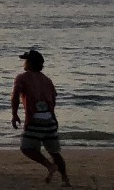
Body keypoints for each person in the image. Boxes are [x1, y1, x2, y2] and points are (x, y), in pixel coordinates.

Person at [11, 50, 68, 186]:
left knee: (26, 148)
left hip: (36, 118)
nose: (24, 63)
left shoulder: (22, 78)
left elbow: (15, 96)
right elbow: (53, 98)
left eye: (25, 61)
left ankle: (49, 166)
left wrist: (14, 114)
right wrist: (52, 117)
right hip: (50, 118)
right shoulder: (47, 80)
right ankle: (65, 179)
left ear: (29, 63)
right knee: (54, 151)